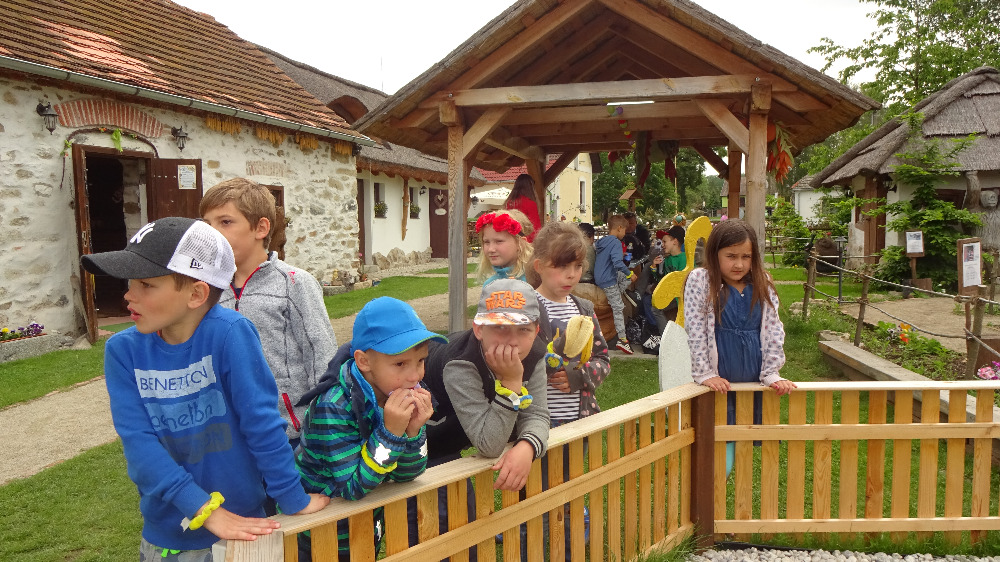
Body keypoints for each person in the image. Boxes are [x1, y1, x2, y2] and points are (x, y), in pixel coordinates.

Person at [81, 217, 329, 561]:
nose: (128, 295)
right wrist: (203, 508)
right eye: (130, 282)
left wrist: (291, 498)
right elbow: (139, 445)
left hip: (246, 530)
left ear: (196, 294)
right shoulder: (123, 352)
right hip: (166, 536)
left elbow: (261, 423)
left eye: (146, 284)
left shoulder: (230, 334)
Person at [294, 297, 447, 561]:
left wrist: (413, 432)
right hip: (320, 534)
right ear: (364, 361)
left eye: (421, 360)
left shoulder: (391, 391)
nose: (415, 376)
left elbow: (408, 474)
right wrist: (391, 434)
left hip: (365, 527)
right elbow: (352, 488)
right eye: (400, 364)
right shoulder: (333, 406)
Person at [200, 178, 337, 449]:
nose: (213, 233)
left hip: (290, 433)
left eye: (225, 222)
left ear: (261, 228)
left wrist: (324, 424)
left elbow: (321, 356)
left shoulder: (295, 283)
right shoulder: (207, 290)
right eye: (207, 224)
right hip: (233, 434)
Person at [683, 219, 796, 477]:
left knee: (747, 442)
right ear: (715, 254)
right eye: (731, 256)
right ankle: (712, 493)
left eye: (746, 257)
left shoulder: (762, 282)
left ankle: (731, 497)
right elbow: (695, 329)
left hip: (754, 383)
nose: (739, 264)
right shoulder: (701, 280)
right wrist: (705, 373)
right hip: (720, 384)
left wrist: (772, 373)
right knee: (720, 446)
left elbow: (774, 329)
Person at [528, 221, 611, 560]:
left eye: (577, 266)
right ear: (539, 266)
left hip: (577, 418)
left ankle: (574, 537)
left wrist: (578, 376)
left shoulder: (584, 310)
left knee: (571, 481)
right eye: (561, 266)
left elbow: (603, 360)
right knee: (536, 489)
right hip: (536, 421)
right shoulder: (528, 308)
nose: (571, 274)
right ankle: (531, 540)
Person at [637, 225, 687, 350]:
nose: (662, 245)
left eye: (665, 241)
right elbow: (662, 279)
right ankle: (658, 333)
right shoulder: (667, 259)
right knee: (647, 300)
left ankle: (666, 339)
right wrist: (654, 267)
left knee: (655, 307)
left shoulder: (684, 259)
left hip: (679, 296)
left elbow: (682, 281)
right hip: (669, 294)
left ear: (675, 241)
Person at [595, 215, 636, 354]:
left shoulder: (602, 241)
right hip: (608, 280)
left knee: (625, 278)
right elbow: (617, 263)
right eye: (624, 230)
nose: (625, 233)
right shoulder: (616, 243)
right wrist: (629, 273)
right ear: (619, 228)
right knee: (618, 308)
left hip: (600, 276)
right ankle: (622, 339)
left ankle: (617, 294)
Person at [475, 209, 534, 286]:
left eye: (499, 241)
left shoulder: (534, 282)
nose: (491, 249)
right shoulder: (490, 285)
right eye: (486, 242)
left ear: (520, 243)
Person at [504, 173, 542, 241]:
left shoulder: (509, 203)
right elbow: (536, 227)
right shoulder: (530, 203)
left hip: (511, 238)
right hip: (526, 240)